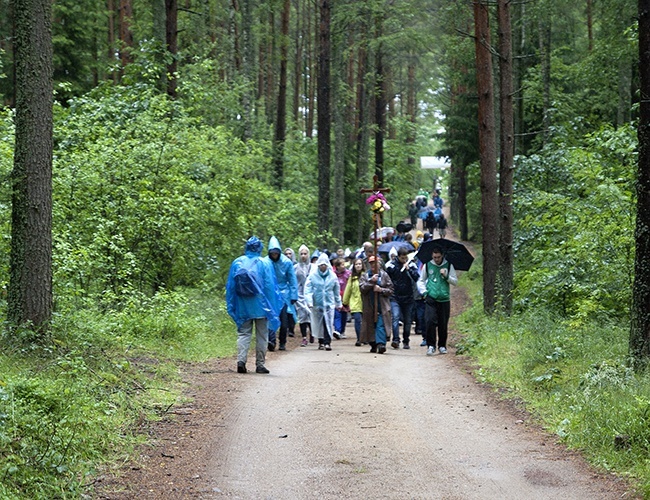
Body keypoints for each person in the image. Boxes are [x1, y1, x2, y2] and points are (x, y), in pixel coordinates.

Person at [225, 236, 281, 374]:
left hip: (243, 305)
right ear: (260, 248)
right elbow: (269, 286)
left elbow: (231, 287)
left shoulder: (237, 262)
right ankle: (260, 364)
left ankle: (241, 361)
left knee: (244, 333)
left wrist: (232, 305)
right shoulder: (264, 263)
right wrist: (272, 307)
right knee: (262, 334)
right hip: (261, 306)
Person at [417, 245, 458, 355]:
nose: (436, 259)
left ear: (442, 256)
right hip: (431, 297)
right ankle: (431, 345)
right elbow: (421, 280)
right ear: (432, 256)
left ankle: (442, 345)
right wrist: (424, 292)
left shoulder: (449, 265)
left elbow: (455, 281)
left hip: (444, 298)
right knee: (430, 321)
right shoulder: (427, 265)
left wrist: (446, 276)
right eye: (434, 257)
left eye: (438, 257)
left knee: (443, 323)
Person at [265, 236, 298, 351]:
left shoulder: (286, 262)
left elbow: (292, 279)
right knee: (270, 319)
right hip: (270, 293)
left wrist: (294, 295)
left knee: (284, 321)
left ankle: (282, 341)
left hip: (284, 294)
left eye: (276, 253)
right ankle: (271, 341)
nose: (274, 255)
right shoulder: (265, 262)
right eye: (272, 253)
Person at [304, 253, 341, 351]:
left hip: (329, 304)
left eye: (325, 265)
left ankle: (327, 342)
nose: (323, 267)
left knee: (327, 323)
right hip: (317, 304)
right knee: (318, 323)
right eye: (321, 265)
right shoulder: (313, 275)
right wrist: (309, 301)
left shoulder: (332, 276)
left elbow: (336, 290)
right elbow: (307, 289)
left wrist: (338, 303)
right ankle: (321, 342)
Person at [385, 248, 420, 349]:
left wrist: (409, 269)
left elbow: (417, 277)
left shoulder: (411, 264)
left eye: (405, 258)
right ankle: (396, 339)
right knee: (395, 317)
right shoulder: (391, 266)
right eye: (402, 258)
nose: (404, 260)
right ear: (398, 257)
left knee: (408, 320)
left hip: (408, 297)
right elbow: (387, 278)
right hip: (395, 296)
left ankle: (406, 340)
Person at [359, 256, 394, 354]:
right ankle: (373, 343)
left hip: (381, 306)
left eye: (376, 263)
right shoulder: (365, 276)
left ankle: (381, 344)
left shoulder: (384, 275)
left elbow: (390, 289)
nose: (374, 265)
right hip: (369, 305)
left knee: (381, 324)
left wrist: (381, 290)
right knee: (370, 325)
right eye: (372, 263)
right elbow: (362, 288)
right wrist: (371, 282)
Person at [294, 244, 314, 346]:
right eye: (301, 254)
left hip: (311, 295)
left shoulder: (313, 267)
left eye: (305, 254)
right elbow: (293, 282)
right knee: (302, 316)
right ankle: (304, 337)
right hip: (300, 295)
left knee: (311, 314)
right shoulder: (296, 268)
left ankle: (312, 333)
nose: (303, 256)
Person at [342, 258, 364, 346]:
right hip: (355, 303)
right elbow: (348, 290)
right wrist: (345, 302)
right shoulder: (351, 278)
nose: (358, 266)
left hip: (365, 303)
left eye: (360, 264)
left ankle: (365, 337)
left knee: (365, 322)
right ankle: (359, 338)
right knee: (358, 320)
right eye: (356, 264)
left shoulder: (366, 276)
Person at [332, 257, 351, 339]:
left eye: (344, 264)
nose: (343, 266)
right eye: (342, 264)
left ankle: (342, 331)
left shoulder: (348, 274)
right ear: (337, 266)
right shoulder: (333, 274)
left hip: (345, 296)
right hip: (336, 297)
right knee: (337, 314)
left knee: (344, 314)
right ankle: (337, 330)